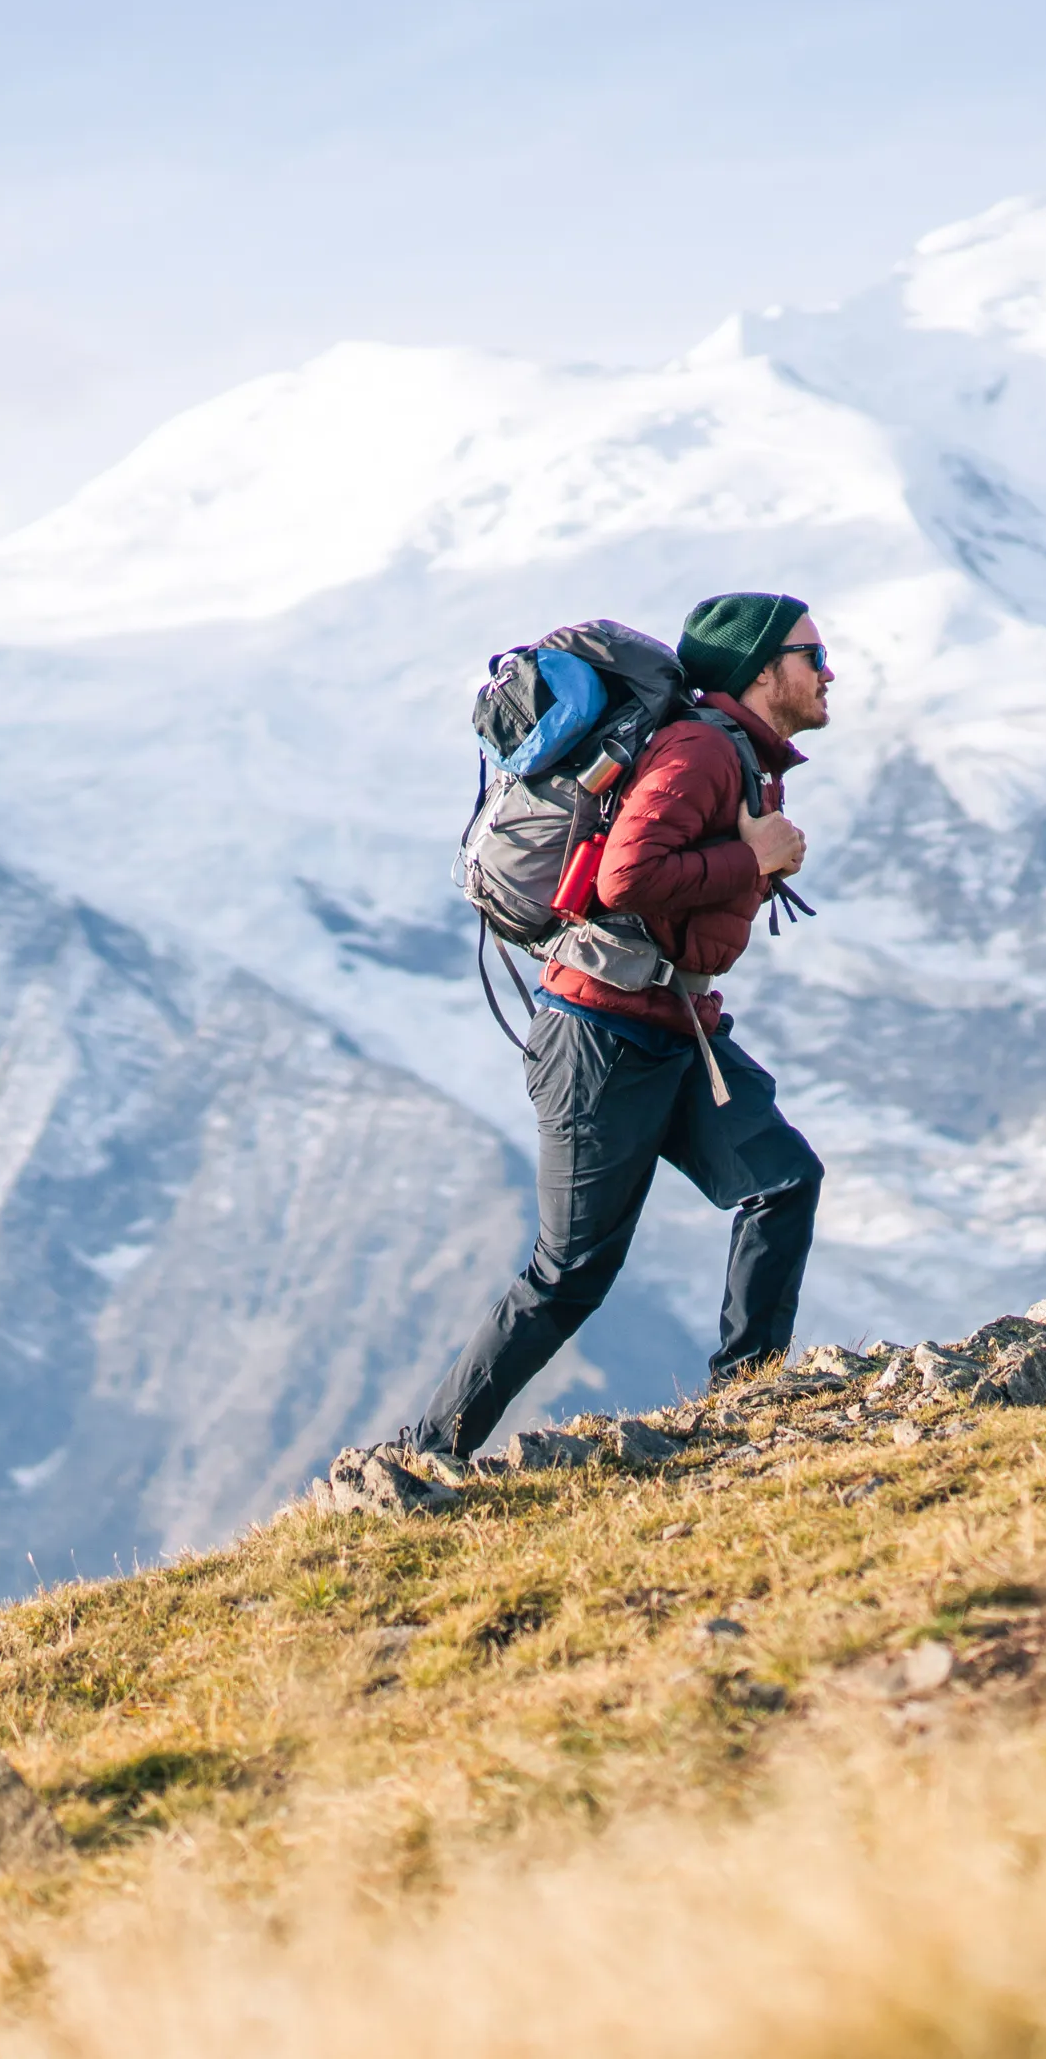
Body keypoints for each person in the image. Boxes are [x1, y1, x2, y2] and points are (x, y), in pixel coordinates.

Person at [400, 590, 836, 1458]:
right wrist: (750, 857)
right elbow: (626, 880)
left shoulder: (736, 756)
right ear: (760, 670)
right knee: (569, 1276)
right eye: (812, 656)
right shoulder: (700, 752)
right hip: (601, 1038)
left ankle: (747, 1404)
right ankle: (423, 1457)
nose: (829, 673)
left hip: (675, 1027)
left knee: (783, 1179)